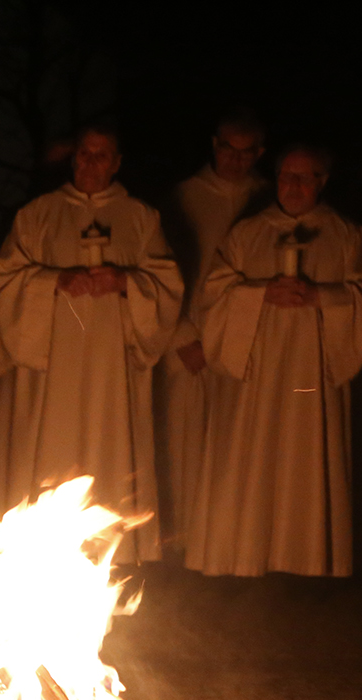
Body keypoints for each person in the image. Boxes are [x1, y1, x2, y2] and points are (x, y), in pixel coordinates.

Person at [0, 123, 181, 560]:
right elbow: (3, 281)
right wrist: (54, 282)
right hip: (51, 371)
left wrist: (126, 282)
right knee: (45, 454)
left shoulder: (141, 218)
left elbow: (167, 285)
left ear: (117, 163)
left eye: (102, 155)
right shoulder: (37, 214)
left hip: (110, 371)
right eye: (84, 153)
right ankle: (39, 552)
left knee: (110, 452)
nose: (90, 163)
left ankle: (110, 559)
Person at [187, 144, 362, 579]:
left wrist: (323, 297)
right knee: (248, 458)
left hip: (312, 373)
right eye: (286, 177)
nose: (293, 186)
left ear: (322, 181)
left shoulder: (346, 235)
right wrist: (261, 294)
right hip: (255, 374)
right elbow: (213, 296)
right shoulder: (248, 233)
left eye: (305, 177)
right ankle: (241, 559)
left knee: (308, 458)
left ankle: (306, 562)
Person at [155, 108, 267, 544]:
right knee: (183, 446)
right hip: (188, 341)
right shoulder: (182, 197)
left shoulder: (267, 202)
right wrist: (182, 335)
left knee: (233, 447)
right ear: (214, 146)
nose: (235, 160)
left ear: (260, 153)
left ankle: (227, 541)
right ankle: (182, 541)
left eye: (246, 152)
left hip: (243, 343)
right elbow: (164, 272)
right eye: (227, 149)